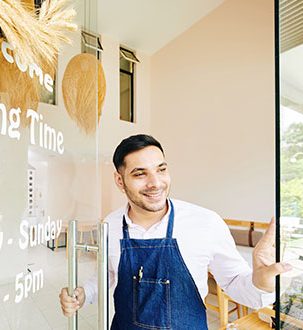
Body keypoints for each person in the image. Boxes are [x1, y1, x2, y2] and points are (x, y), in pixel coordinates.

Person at [59, 134, 291, 330]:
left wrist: (261, 284)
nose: (155, 183)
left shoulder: (205, 223)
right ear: (119, 181)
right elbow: (109, 273)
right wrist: (84, 294)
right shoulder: (110, 224)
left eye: (161, 170)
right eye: (140, 174)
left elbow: (234, 284)